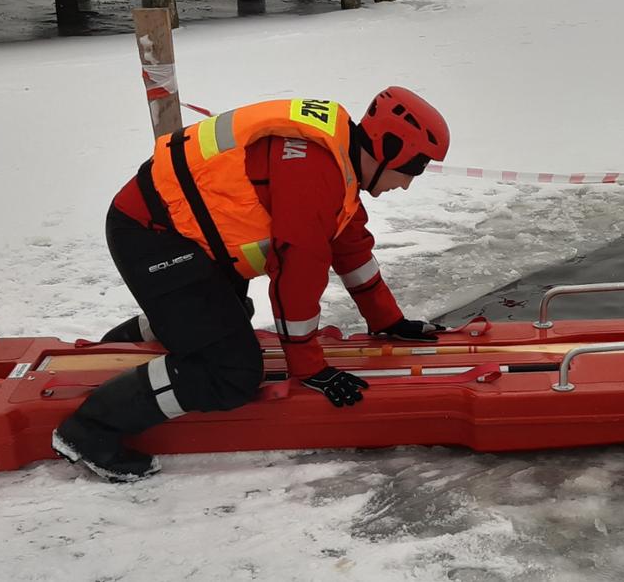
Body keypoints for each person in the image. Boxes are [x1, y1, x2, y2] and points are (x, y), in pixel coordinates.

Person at [52, 87, 452, 482]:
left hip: (183, 235)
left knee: (230, 315)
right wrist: (309, 366)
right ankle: (90, 430)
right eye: (413, 169)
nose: (407, 184)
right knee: (232, 373)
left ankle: (141, 335)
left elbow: (350, 248)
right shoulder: (315, 174)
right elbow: (298, 271)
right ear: (388, 148)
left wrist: (389, 321)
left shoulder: (336, 160)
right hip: (151, 233)